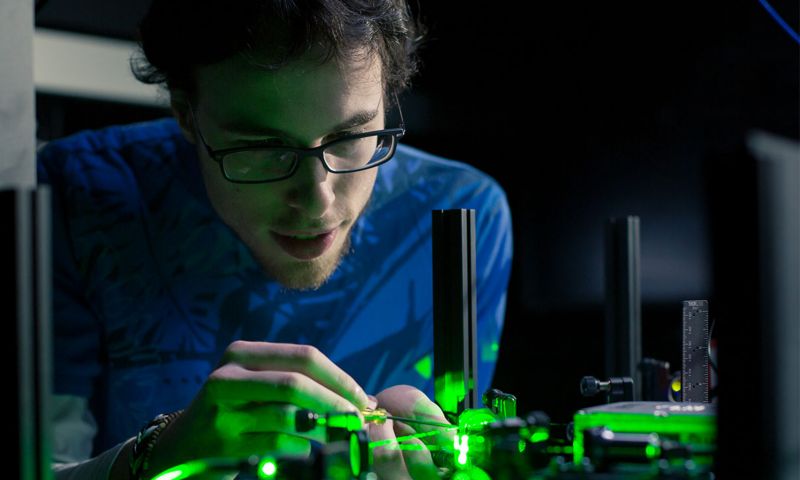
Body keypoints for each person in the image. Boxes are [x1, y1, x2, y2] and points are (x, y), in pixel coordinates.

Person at [39, 0, 512, 478]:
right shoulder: (76, 197)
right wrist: (158, 459)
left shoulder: (461, 213)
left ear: (388, 101)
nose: (317, 202)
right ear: (187, 116)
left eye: (349, 136)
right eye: (263, 149)